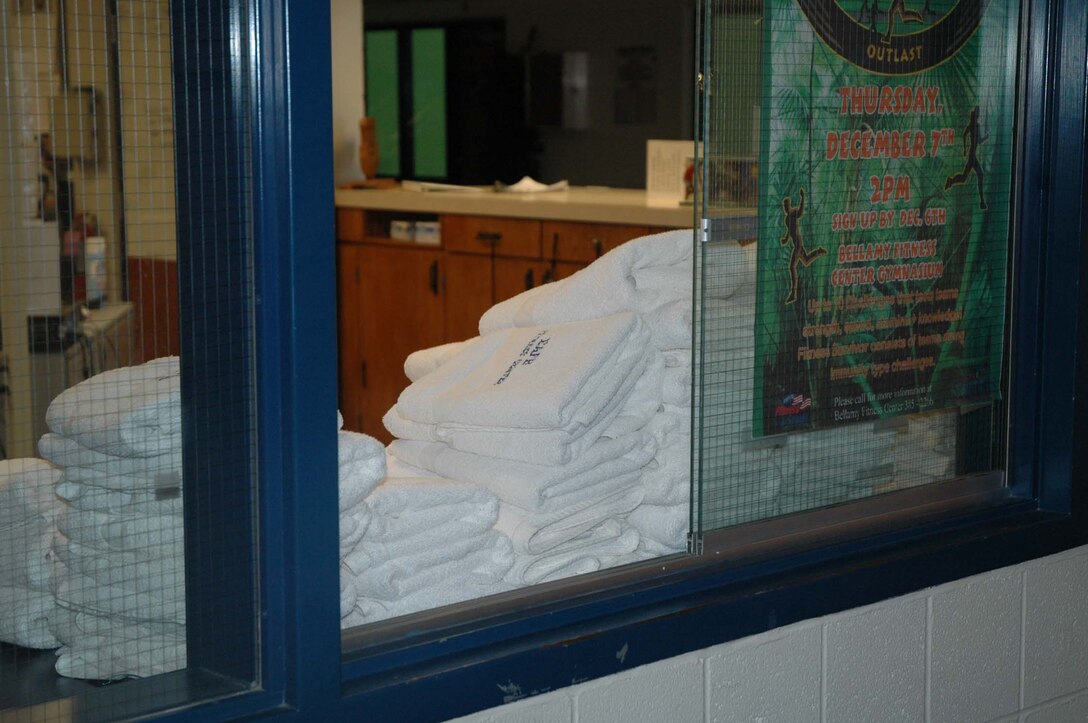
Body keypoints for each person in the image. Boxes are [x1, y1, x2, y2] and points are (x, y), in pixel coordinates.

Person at [780, 188, 826, 305]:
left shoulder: (794, 213)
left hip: (798, 242)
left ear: (789, 205)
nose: (785, 207)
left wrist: (803, 197)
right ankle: (818, 251)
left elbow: (801, 211)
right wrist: (785, 239)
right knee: (805, 261)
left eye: (787, 205)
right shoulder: (786, 218)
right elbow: (789, 231)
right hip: (795, 242)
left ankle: (793, 293)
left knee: (792, 267)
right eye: (784, 206)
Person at [944, 105, 990, 211]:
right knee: (979, 175)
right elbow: (970, 137)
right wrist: (965, 148)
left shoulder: (974, 125)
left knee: (966, 177)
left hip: (972, 155)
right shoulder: (974, 125)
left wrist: (967, 147)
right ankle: (982, 202)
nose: (979, 114)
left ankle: (951, 181)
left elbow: (969, 137)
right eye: (978, 112)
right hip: (972, 156)